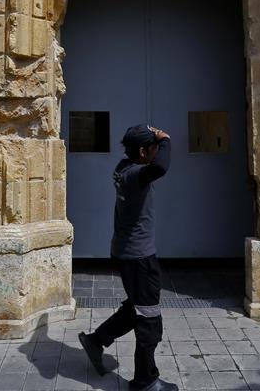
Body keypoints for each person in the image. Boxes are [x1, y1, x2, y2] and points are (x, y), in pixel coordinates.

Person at [79, 124, 176, 391]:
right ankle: (146, 381)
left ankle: (96, 340)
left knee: (136, 307)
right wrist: (165, 137)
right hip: (138, 257)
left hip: (125, 251)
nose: (157, 153)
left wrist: (154, 139)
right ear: (143, 152)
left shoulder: (123, 167)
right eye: (154, 149)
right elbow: (161, 168)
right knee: (149, 319)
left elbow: (154, 165)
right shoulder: (135, 174)